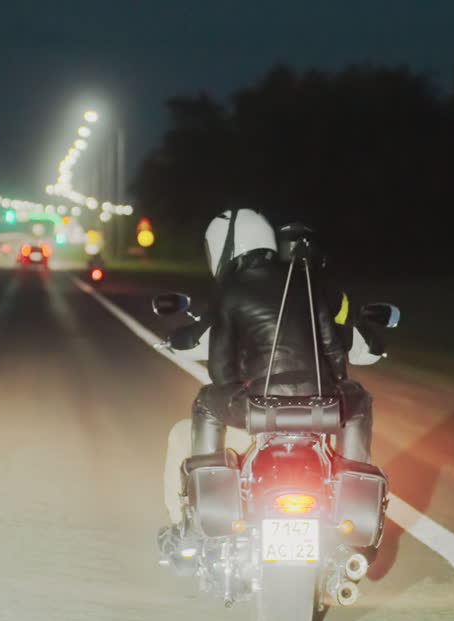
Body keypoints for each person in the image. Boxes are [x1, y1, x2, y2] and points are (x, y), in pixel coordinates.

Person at [159, 209, 375, 539]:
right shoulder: (305, 280)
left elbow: (220, 372)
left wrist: (241, 388)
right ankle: (351, 480)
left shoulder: (231, 290)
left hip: (259, 408)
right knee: (359, 398)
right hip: (321, 407)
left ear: (223, 247)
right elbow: (333, 352)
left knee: (205, 402)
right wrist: (330, 390)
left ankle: (197, 522)